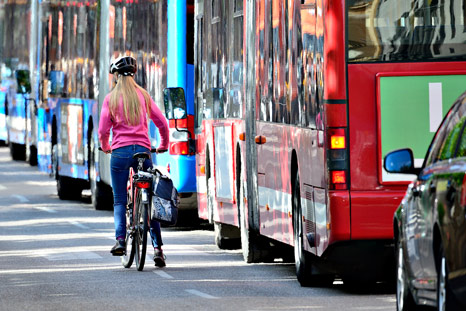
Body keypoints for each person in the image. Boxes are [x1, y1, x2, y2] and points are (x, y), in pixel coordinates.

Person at [98, 56, 169, 267]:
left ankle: (120, 240)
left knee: (120, 199)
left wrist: (105, 146)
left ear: (116, 77)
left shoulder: (111, 99)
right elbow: (162, 123)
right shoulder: (144, 96)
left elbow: (103, 130)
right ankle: (157, 250)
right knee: (151, 199)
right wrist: (163, 144)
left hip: (119, 154)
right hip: (143, 153)